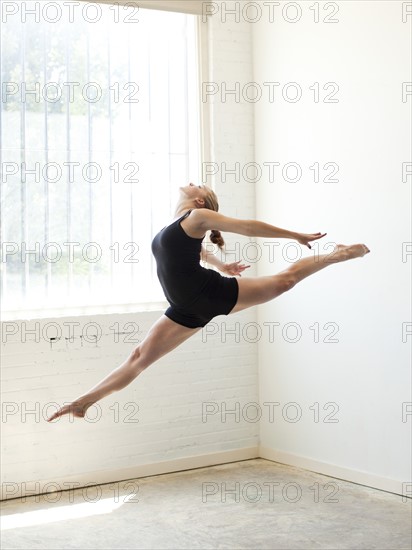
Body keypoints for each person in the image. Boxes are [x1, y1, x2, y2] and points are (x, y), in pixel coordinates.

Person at [47, 183, 369, 422]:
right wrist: (221, 264)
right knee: (138, 357)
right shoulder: (174, 227)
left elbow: (246, 227)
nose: (192, 181)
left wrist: (295, 235)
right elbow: (191, 252)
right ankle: (85, 402)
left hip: (206, 293)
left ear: (200, 199)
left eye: (198, 185)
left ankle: (338, 253)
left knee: (283, 283)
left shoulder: (198, 215)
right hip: (185, 308)